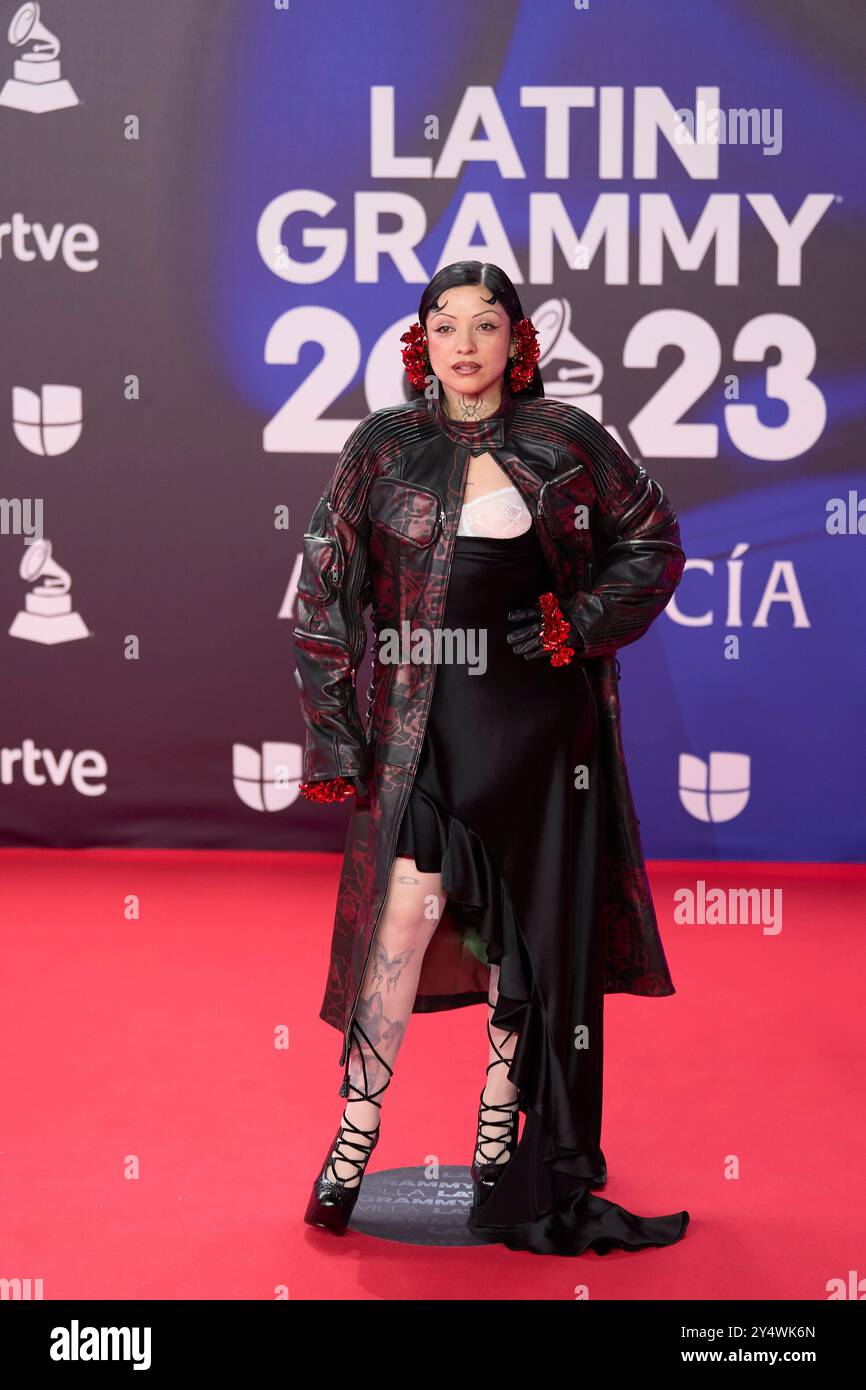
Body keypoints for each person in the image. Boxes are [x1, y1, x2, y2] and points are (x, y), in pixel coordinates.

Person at [294, 260, 690, 1255]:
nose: (463, 344)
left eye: (484, 325)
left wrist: (584, 620)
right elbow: (324, 597)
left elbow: (652, 541)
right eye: (444, 325)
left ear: (517, 341)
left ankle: (500, 1154)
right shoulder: (380, 448)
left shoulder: (566, 439)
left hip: (546, 739)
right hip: (422, 729)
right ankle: (349, 1144)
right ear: (418, 342)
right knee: (401, 924)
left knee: (529, 947)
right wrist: (340, 734)